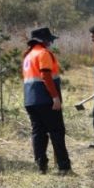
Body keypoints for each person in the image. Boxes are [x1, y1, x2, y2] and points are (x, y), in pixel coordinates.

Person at [22, 27, 71, 175]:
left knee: (38, 133)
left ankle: (41, 166)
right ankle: (63, 167)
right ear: (44, 41)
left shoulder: (28, 55)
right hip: (45, 100)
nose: (51, 42)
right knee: (56, 132)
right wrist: (55, 97)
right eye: (49, 40)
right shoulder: (43, 54)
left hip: (30, 100)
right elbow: (46, 77)